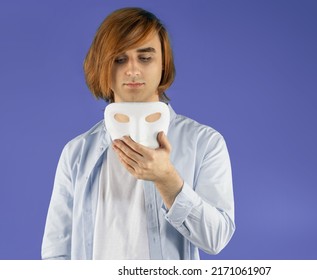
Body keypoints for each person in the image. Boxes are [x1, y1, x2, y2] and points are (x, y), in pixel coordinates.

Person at [42, 7, 235, 260]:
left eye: (145, 58)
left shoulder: (205, 143)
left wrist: (168, 180)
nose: (133, 70)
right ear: (102, 65)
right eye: (119, 59)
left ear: (163, 64)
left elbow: (217, 238)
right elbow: (57, 254)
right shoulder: (76, 153)